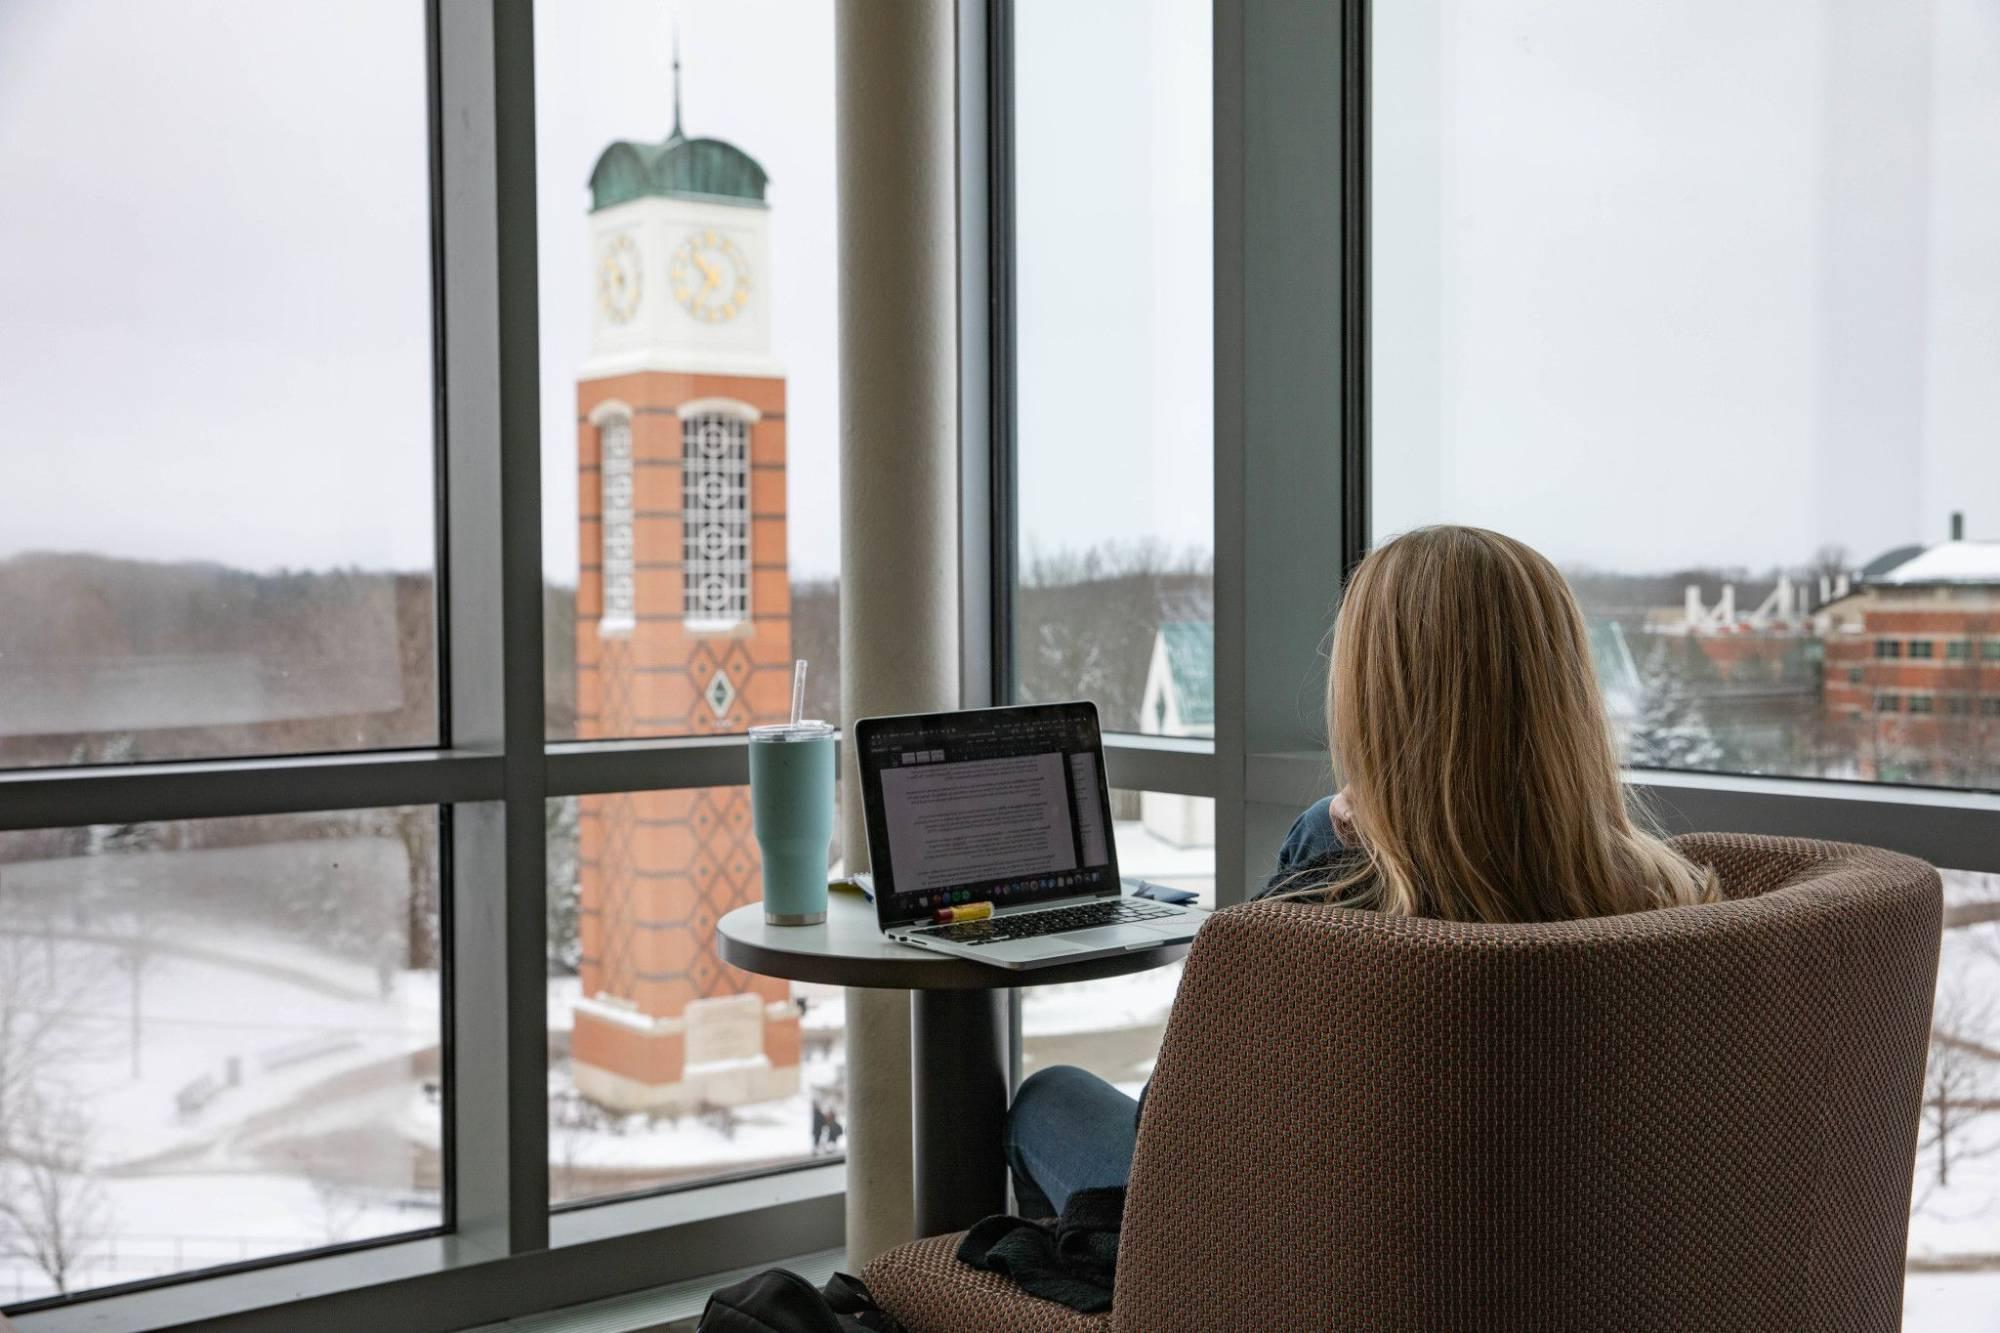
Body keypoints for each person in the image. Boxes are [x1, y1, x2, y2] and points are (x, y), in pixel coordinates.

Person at [1005, 525, 1720, 1217]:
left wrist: (1328, 856)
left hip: (1304, 1256)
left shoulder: (1332, 924)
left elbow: (1174, 1132)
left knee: (1049, 1098)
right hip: (1572, 1255)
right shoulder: (1673, 899)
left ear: (1373, 697)